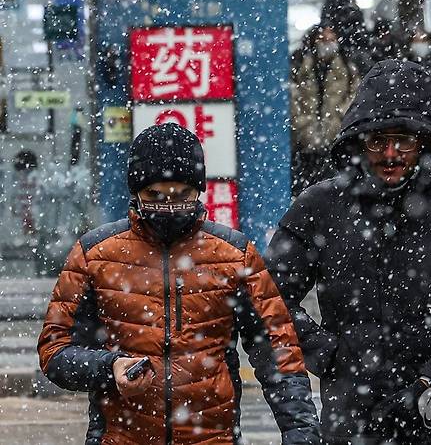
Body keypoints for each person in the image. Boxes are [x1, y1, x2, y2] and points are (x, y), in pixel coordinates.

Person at [267, 60, 431, 444]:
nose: (390, 154)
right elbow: (270, 298)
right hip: (356, 413)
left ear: (426, 142)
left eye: (404, 141)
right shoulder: (320, 206)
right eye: (377, 142)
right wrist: (331, 358)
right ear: (359, 143)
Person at [37, 123, 320, 445]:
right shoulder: (94, 255)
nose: (169, 207)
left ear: (199, 191)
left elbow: (278, 354)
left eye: (181, 195)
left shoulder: (235, 255)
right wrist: (109, 367)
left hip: (213, 437)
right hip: (120, 436)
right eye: (154, 196)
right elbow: (55, 352)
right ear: (135, 193)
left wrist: (302, 434)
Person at [290, 25, 360, 196]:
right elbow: (293, 98)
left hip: (334, 140)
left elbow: (355, 95)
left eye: (331, 40)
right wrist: (303, 124)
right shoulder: (300, 65)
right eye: (323, 40)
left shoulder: (346, 66)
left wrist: (339, 117)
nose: (327, 44)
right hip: (303, 144)